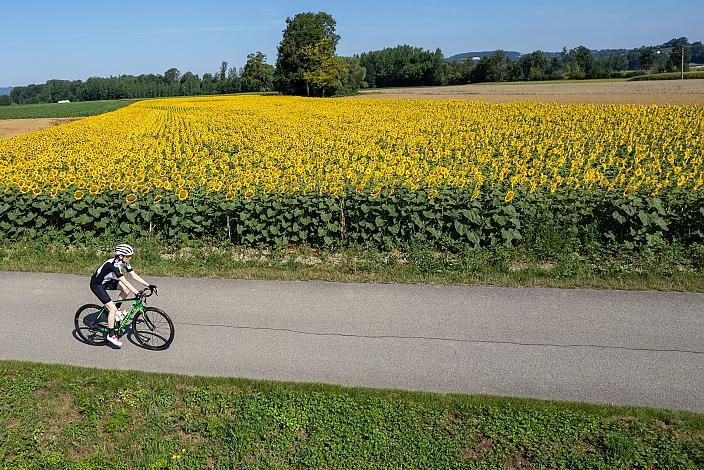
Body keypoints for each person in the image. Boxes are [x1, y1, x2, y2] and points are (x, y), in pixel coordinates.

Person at [89, 244, 155, 348]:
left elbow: (134, 275)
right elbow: (125, 281)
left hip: (106, 282)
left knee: (126, 290)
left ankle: (116, 312)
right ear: (120, 256)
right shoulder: (114, 265)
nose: (130, 258)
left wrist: (149, 285)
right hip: (97, 285)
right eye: (128, 256)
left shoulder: (123, 262)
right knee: (112, 309)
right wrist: (137, 293)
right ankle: (111, 336)